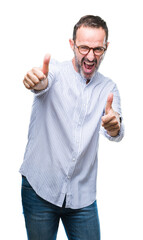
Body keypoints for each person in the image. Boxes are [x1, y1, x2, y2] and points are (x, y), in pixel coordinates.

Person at [20, 15, 124, 240]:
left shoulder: (108, 87)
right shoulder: (55, 72)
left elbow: (114, 128)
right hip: (39, 190)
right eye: (84, 47)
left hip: (82, 197)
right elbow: (42, 83)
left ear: (106, 48)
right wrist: (37, 82)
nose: (90, 56)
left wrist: (114, 125)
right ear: (72, 45)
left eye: (98, 49)